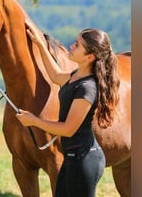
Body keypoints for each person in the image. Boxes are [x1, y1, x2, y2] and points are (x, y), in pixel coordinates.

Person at [16, 20, 120, 197]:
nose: (72, 46)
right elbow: (56, 76)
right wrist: (41, 44)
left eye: (77, 45)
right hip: (72, 158)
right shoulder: (76, 77)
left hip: (84, 161)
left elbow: (68, 129)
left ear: (90, 57)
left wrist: (33, 121)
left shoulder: (87, 87)